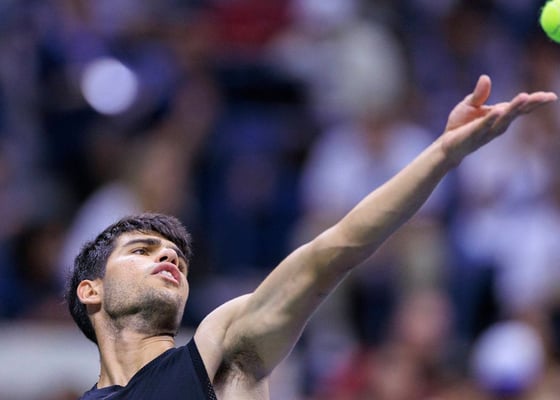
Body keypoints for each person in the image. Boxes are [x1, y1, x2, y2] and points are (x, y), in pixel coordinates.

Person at [65, 75, 556, 399]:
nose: (169, 256)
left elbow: (332, 252)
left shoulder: (222, 357)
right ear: (91, 290)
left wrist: (442, 156)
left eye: (175, 253)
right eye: (141, 249)